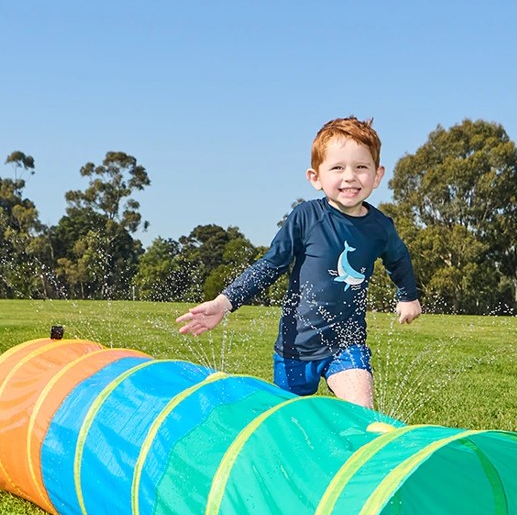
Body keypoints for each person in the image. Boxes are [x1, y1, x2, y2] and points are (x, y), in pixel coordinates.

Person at [176, 117, 422, 409]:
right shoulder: (305, 217)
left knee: (361, 411)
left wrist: (408, 295)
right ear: (315, 177)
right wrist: (224, 302)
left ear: (377, 175)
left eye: (361, 167)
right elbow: (271, 265)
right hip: (296, 347)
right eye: (337, 168)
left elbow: (399, 259)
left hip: (347, 344)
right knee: (289, 419)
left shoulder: (380, 227)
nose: (350, 177)